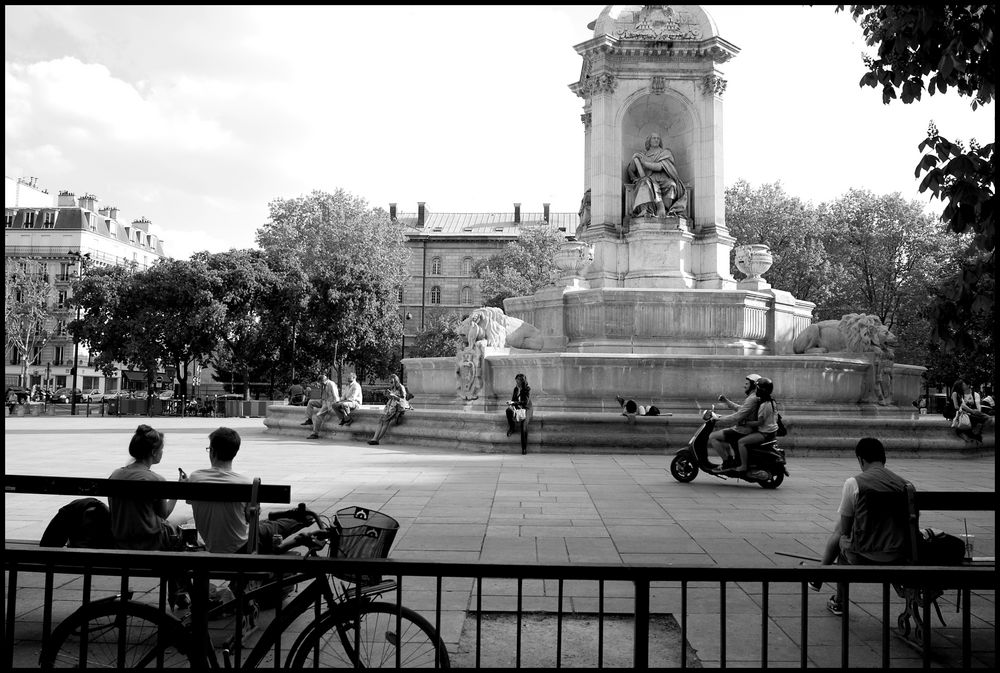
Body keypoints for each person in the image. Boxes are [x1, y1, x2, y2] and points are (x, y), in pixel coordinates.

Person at [815, 437, 913, 616]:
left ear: (861, 460)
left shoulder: (854, 483)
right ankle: (819, 577)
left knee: (841, 544)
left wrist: (847, 538)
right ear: (884, 458)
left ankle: (838, 600)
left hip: (864, 555)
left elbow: (845, 531)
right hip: (900, 554)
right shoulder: (905, 485)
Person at [187, 427, 314, 555]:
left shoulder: (195, 478)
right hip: (243, 547)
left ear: (212, 452)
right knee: (274, 527)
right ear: (235, 453)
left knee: (266, 525)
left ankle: (300, 517)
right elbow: (250, 517)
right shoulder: (245, 484)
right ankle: (305, 518)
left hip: (213, 546)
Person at [108, 424, 188, 606]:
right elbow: (164, 514)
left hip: (120, 540)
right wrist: (179, 490)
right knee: (183, 523)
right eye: (162, 449)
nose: (162, 453)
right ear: (153, 452)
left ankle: (180, 591)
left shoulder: (116, 475)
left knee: (179, 528)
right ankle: (179, 591)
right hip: (150, 541)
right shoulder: (155, 480)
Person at [626, 132, 688, 218]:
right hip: (649, 178)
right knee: (645, 183)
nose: (656, 140)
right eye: (654, 138)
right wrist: (634, 177)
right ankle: (647, 210)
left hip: (663, 178)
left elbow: (659, 167)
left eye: (658, 138)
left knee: (672, 185)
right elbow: (631, 169)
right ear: (649, 141)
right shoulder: (642, 155)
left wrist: (644, 162)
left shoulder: (665, 153)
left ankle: (666, 211)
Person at [726, 377, 779, 477]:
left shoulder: (764, 404)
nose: (756, 390)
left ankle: (743, 466)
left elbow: (759, 422)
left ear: (761, 390)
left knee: (741, 442)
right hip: (771, 431)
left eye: (757, 388)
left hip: (765, 433)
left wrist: (745, 423)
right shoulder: (772, 401)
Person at [708, 373, 762, 471]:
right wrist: (726, 401)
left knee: (712, 437)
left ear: (753, 385)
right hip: (742, 428)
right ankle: (730, 460)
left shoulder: (752, 399)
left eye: (747, 384)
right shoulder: (753, 397)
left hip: (743, 430)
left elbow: (737, 417)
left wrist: (718, 419)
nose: (744, 386)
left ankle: (727, 463)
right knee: (722, 438)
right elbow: (740, 409)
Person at [368, 375, 410, 445]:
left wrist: (394, 396)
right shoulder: (393, 388)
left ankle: (376, 439)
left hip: (395, 407)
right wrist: (388, 395)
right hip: (389, 406)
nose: (390, 384)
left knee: (385, 422)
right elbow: (391, 398)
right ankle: (375, 438)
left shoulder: (401, 387)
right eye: (390, 382)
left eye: (392, 382)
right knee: (380, 421)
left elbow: (403, 399)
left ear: (396, 381)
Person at [303, 374, 339, 439]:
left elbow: (335, 395)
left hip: (328, 403)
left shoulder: (331, 384)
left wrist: (335, 404)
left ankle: (315, 434)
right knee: (310, 402)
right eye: (320, 383)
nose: (321, 384)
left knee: (318, 415)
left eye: (322, 383)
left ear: (325, 380)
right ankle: (309, 419)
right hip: (322, 401)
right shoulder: (322, 384)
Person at [505, 373, 532, 455]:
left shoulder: (527, 389)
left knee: (523, 426)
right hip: (517, 407)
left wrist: (514, 402)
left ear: (522, 381)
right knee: (508, 410)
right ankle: (512, 427)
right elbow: (513, 399)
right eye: (516, 381)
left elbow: (525, 402)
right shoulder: (515, 389)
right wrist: (511, 404)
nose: (517, 383)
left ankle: (524, 448)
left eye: (518, 381)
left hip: (526, 408)